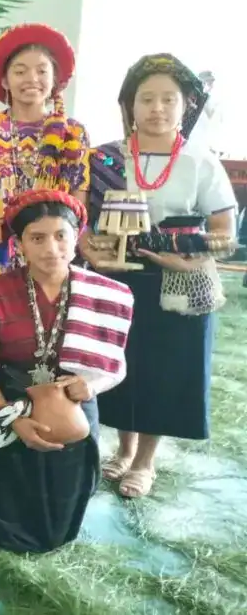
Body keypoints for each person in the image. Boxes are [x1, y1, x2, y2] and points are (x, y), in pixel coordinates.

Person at [82, 54, 236, 498]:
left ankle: (145, 461)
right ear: (129, 104)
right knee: (120, 366)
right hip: (116, 278)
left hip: (177, 283)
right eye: (146, 98)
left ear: (186, 105)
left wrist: (182, 252)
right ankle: (123, 450)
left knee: (165, 371)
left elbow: (226, 236)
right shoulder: (104, 158)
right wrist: (89, 248)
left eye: (169, 99)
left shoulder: (200, 162)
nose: (157, 108)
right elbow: (82, 220)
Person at [0, 190, 133, 553]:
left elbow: (116, 364)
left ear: (77, 237)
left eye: (61, 235)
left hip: (73, 399)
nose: (51, 248)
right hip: (9, 400)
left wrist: (91, 386)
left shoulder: (104, 294)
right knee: (1, 504)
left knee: (62, 512)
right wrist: (10, 418)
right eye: (37, 238)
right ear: (19, 244)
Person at [0, 24, 91, 285]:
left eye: (42, 71)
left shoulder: (73, 132)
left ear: (54, 80)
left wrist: (59, 238)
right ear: (5, 80)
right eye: (20, 71)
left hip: (52, 251)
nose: (32, 79)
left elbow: (79, 191)